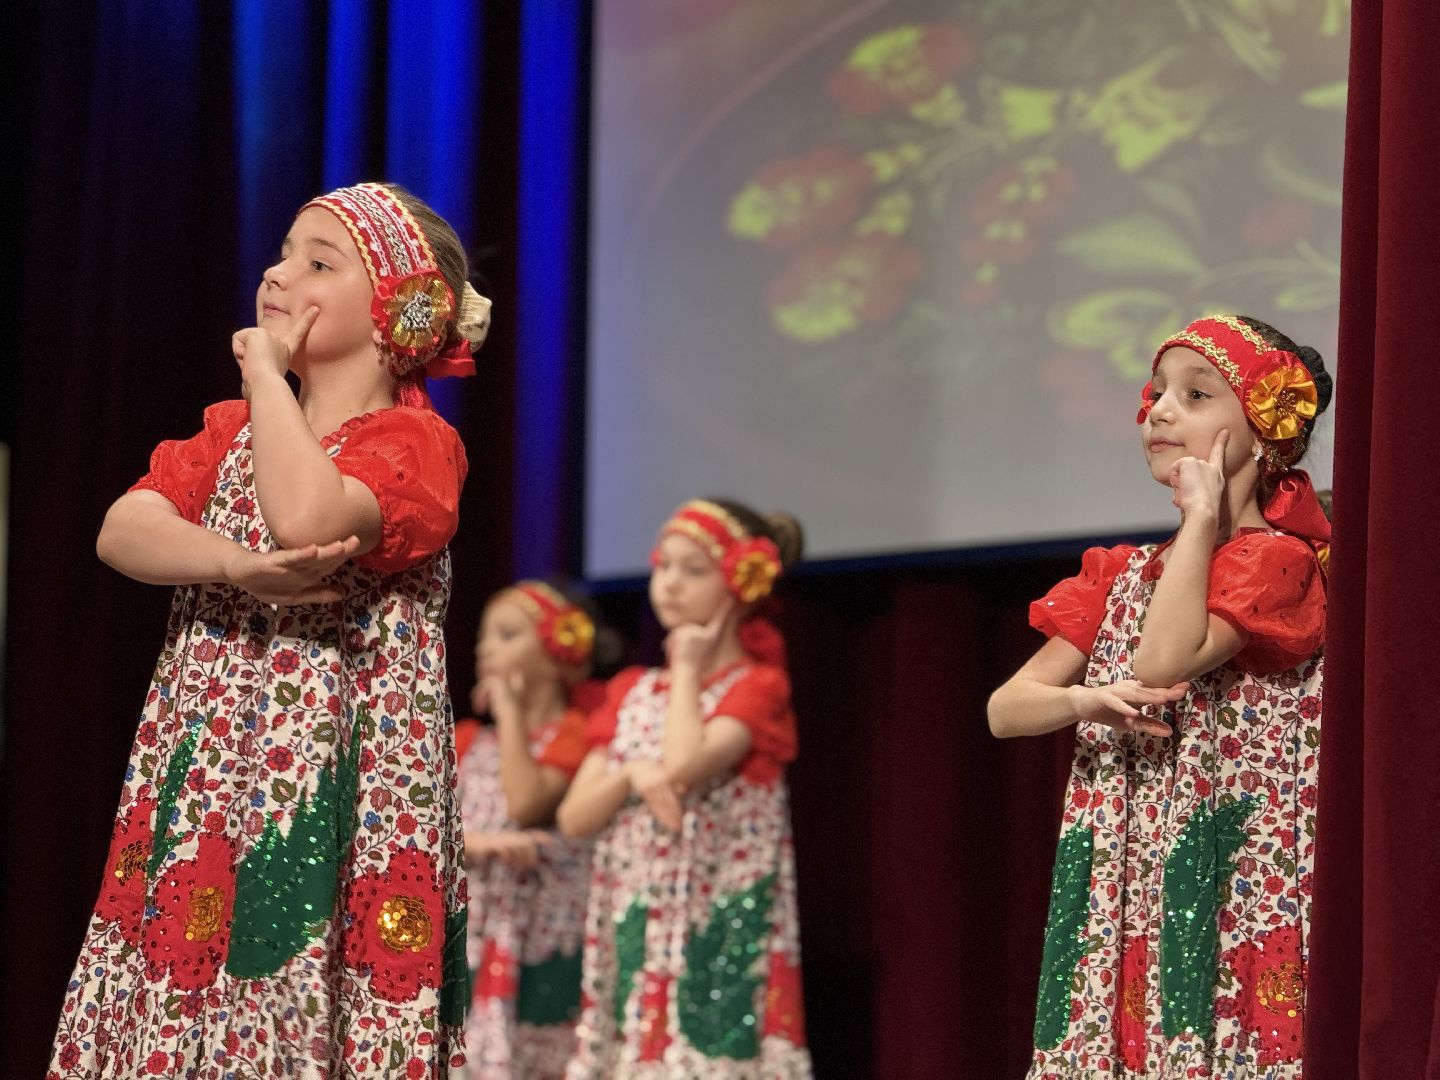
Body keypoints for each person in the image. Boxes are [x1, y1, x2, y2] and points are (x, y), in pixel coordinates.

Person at [50, 182, 490, 1078]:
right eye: (284, 253)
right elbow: (121, 530)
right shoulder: (232, 434)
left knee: (298, 973)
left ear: (396, 310)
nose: (278, 274)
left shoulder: (415, 445)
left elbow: (306, 516)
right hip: (216, 767)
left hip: (334, 783)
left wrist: (263, 372)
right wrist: (229, 562)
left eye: (318, 262)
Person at [989, 315, 1332, 1078]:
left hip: (1227, 870)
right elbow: (1005, 710)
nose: (1159, 411)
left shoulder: (1277, 562)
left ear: (1264, 431)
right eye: (1156, 394)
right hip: (1128, 863)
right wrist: (1084, 702)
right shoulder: (1120, 573)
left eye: (1195, 394)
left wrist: (1203, 517)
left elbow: (1164, 660)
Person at [557, 499, 812, 1078]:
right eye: (663, 565)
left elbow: (684, 763)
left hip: (712, 916)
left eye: (693, 570)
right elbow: (574, 817)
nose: (669, 582)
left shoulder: (757, 686)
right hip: (638, 917)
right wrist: (631, 774)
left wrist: (690, 667)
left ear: (740, 584)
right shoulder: (630, 689)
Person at [455, 579, 618, 1078]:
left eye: (507, 635)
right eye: (483, 636)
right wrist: (480, 843)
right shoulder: (465, 740)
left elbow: (526, 804)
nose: (486, 648)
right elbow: (424, 833)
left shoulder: (577, 732)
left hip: (547, 934)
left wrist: (509, 711)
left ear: (554, 658)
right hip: (477, 929)